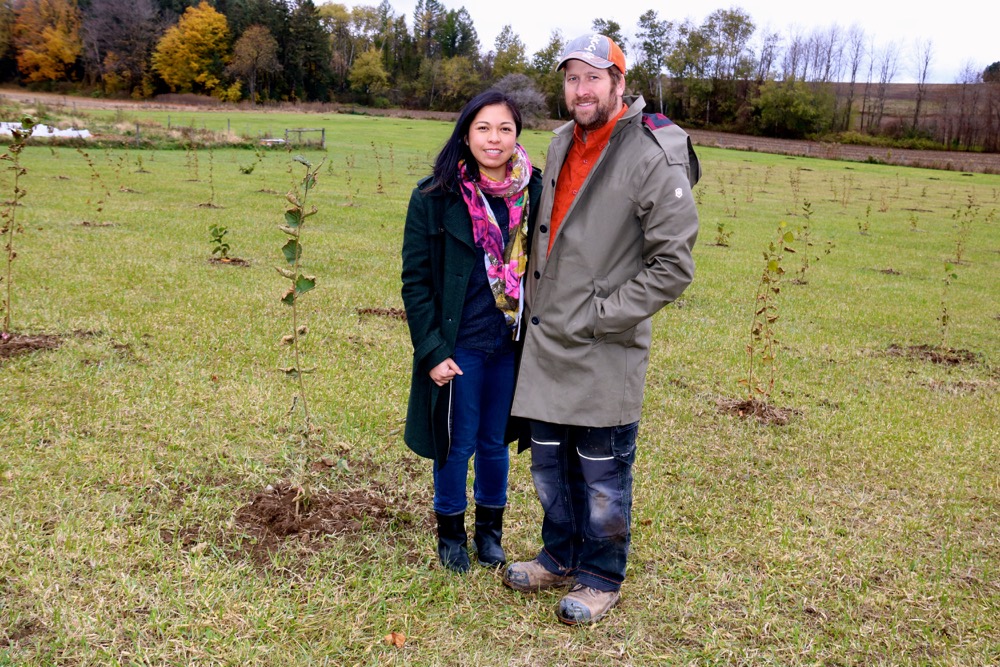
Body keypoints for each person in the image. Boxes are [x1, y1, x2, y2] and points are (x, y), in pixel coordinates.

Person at [502, 34, 701, 624]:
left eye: (593, 77)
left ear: (619, 81)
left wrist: (601, 315)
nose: (581, 90)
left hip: (602, 344)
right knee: (548, 465)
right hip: (546, 339)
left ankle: (600, 575)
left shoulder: (652, 152)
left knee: (602, 473)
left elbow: (674, 266)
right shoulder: (563, 140)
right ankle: (559, 556)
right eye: (571, 78)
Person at [401, 89, 543, 573]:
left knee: (493, 443)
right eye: (483, 128)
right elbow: (415, 283)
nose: (494, 138)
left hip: (510, 345)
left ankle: (490, 534)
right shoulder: (433, 198)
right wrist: (432, 350)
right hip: (459, 346)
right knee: (455, 444)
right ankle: (450, 535)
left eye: (504, 128)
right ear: (466, 134)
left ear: (517, 135)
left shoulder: (537, 193)